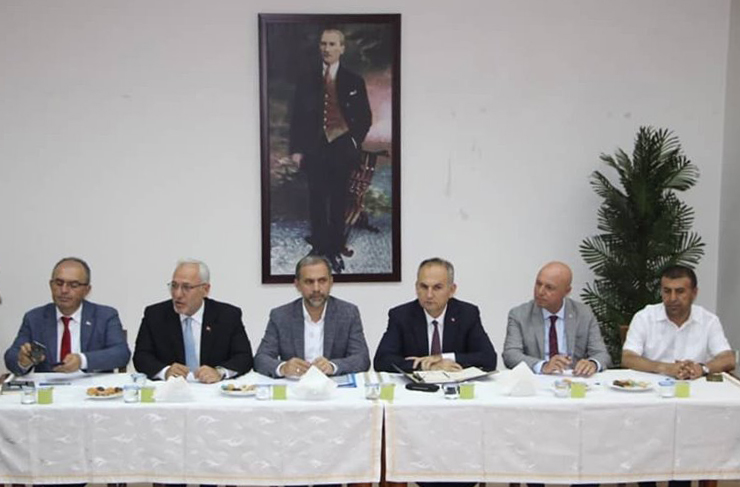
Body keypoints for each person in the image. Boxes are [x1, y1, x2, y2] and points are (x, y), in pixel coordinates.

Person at [289, 27, 372, 274]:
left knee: (338, 198)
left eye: (332, 44)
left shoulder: (354, 80)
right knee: (316, 197)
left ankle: (335, 247)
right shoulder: (307, 79)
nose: (327, 49)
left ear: (342, 48)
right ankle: (319, 245)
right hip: (314, 147)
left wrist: (354, 141)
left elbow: (365, 117)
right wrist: (297, 149)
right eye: (323, 44)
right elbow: (297, 118)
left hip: (342, 146)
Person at [4, 257, 130, 375]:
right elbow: (11, 356)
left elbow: (121, 354)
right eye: (59, 283)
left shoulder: (105, 316)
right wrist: (23, 361)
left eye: (73, 285)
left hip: (92, 387)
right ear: (51, 285)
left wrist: (82, 360)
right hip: (49, 388)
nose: (64, 290)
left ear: (87, 290)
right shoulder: (35, 318)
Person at [133, 259, 253, 382]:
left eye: (186, 287)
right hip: (171, 389)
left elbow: (244, 357)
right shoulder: (155, 315)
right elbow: (141, 357)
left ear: (205, 289)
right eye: (174, 286)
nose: (178, 294)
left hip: (212, 388)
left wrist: (220, 372)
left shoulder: (227, 316)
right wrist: (165, 371)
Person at [374, 257, 497, 373]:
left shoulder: (467, 314)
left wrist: (443, 358)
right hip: (417, 387)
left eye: (437, 287)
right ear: (416, 288)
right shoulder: (401, 316)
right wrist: (426, 366)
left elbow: (489, 358)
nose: (429, 295)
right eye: (424, 287)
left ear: (452, 290)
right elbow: (381, 360)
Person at [254, 255, 370, 377]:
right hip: (295, 385)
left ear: (331, 282)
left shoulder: (348, 313)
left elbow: (362, 359)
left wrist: (332, 366)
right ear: (297, 285)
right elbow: (261, 359)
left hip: (333, 385)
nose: (316, 288)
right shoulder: (281, 316)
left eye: (322, 281)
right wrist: (283, 368)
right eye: (309, 282)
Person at [623, 265, 735, 379]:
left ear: (694, 293)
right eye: (667, 291)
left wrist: (701, 369)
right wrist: (665, 368)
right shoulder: (644, 317)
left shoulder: (709, 321)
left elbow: (728, 359)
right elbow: (628, 358)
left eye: (680, 292)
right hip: (651, 385)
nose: (672, 298)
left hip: (696, 386)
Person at [503, 261, 611, 376]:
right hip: (537, 379)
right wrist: (543, 366)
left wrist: (593, 363)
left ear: (567, 291)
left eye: (549, 287)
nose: (540, 292)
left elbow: (601, 354)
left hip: (574, 379)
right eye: (538, 284)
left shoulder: (583, 314)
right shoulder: (519, 315)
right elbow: (510, 355)